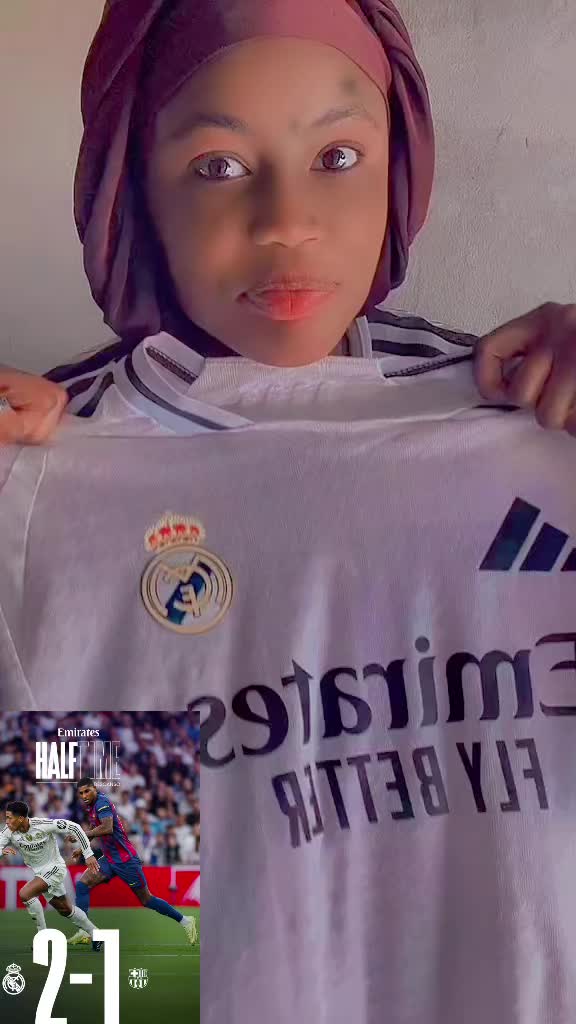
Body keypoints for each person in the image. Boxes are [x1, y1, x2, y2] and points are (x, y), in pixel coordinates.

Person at [0, 3, 575, 1022]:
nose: (287, 222)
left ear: (400, 163)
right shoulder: (61, 497)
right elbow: (103, 964)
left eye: (338, 156)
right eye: (218, 165)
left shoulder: (543, 421)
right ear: (132, 186)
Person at [65, 778, 197, 946]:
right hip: (109, 859)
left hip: (125, 861)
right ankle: (85, 931)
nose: (84, 795)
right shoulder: (91, 806)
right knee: (83, 884)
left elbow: (107, 828)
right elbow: (96, 830)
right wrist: (83, 848)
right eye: (81, 793)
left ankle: (186, 921)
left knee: (146, 900)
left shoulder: (102, 803)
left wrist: (81, 835)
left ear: (95, 788)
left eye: (87, 791)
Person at [0, 801, 103, 951]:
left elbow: (75, 827)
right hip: (40, 873)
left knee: (25, 893)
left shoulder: (42, 824)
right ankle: (96, 934)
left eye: (9, 817)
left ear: (21, 818)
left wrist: (88, 854)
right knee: (65, 909)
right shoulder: (8, 831)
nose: (7, 821)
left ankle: (42, 939)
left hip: (55, 868)